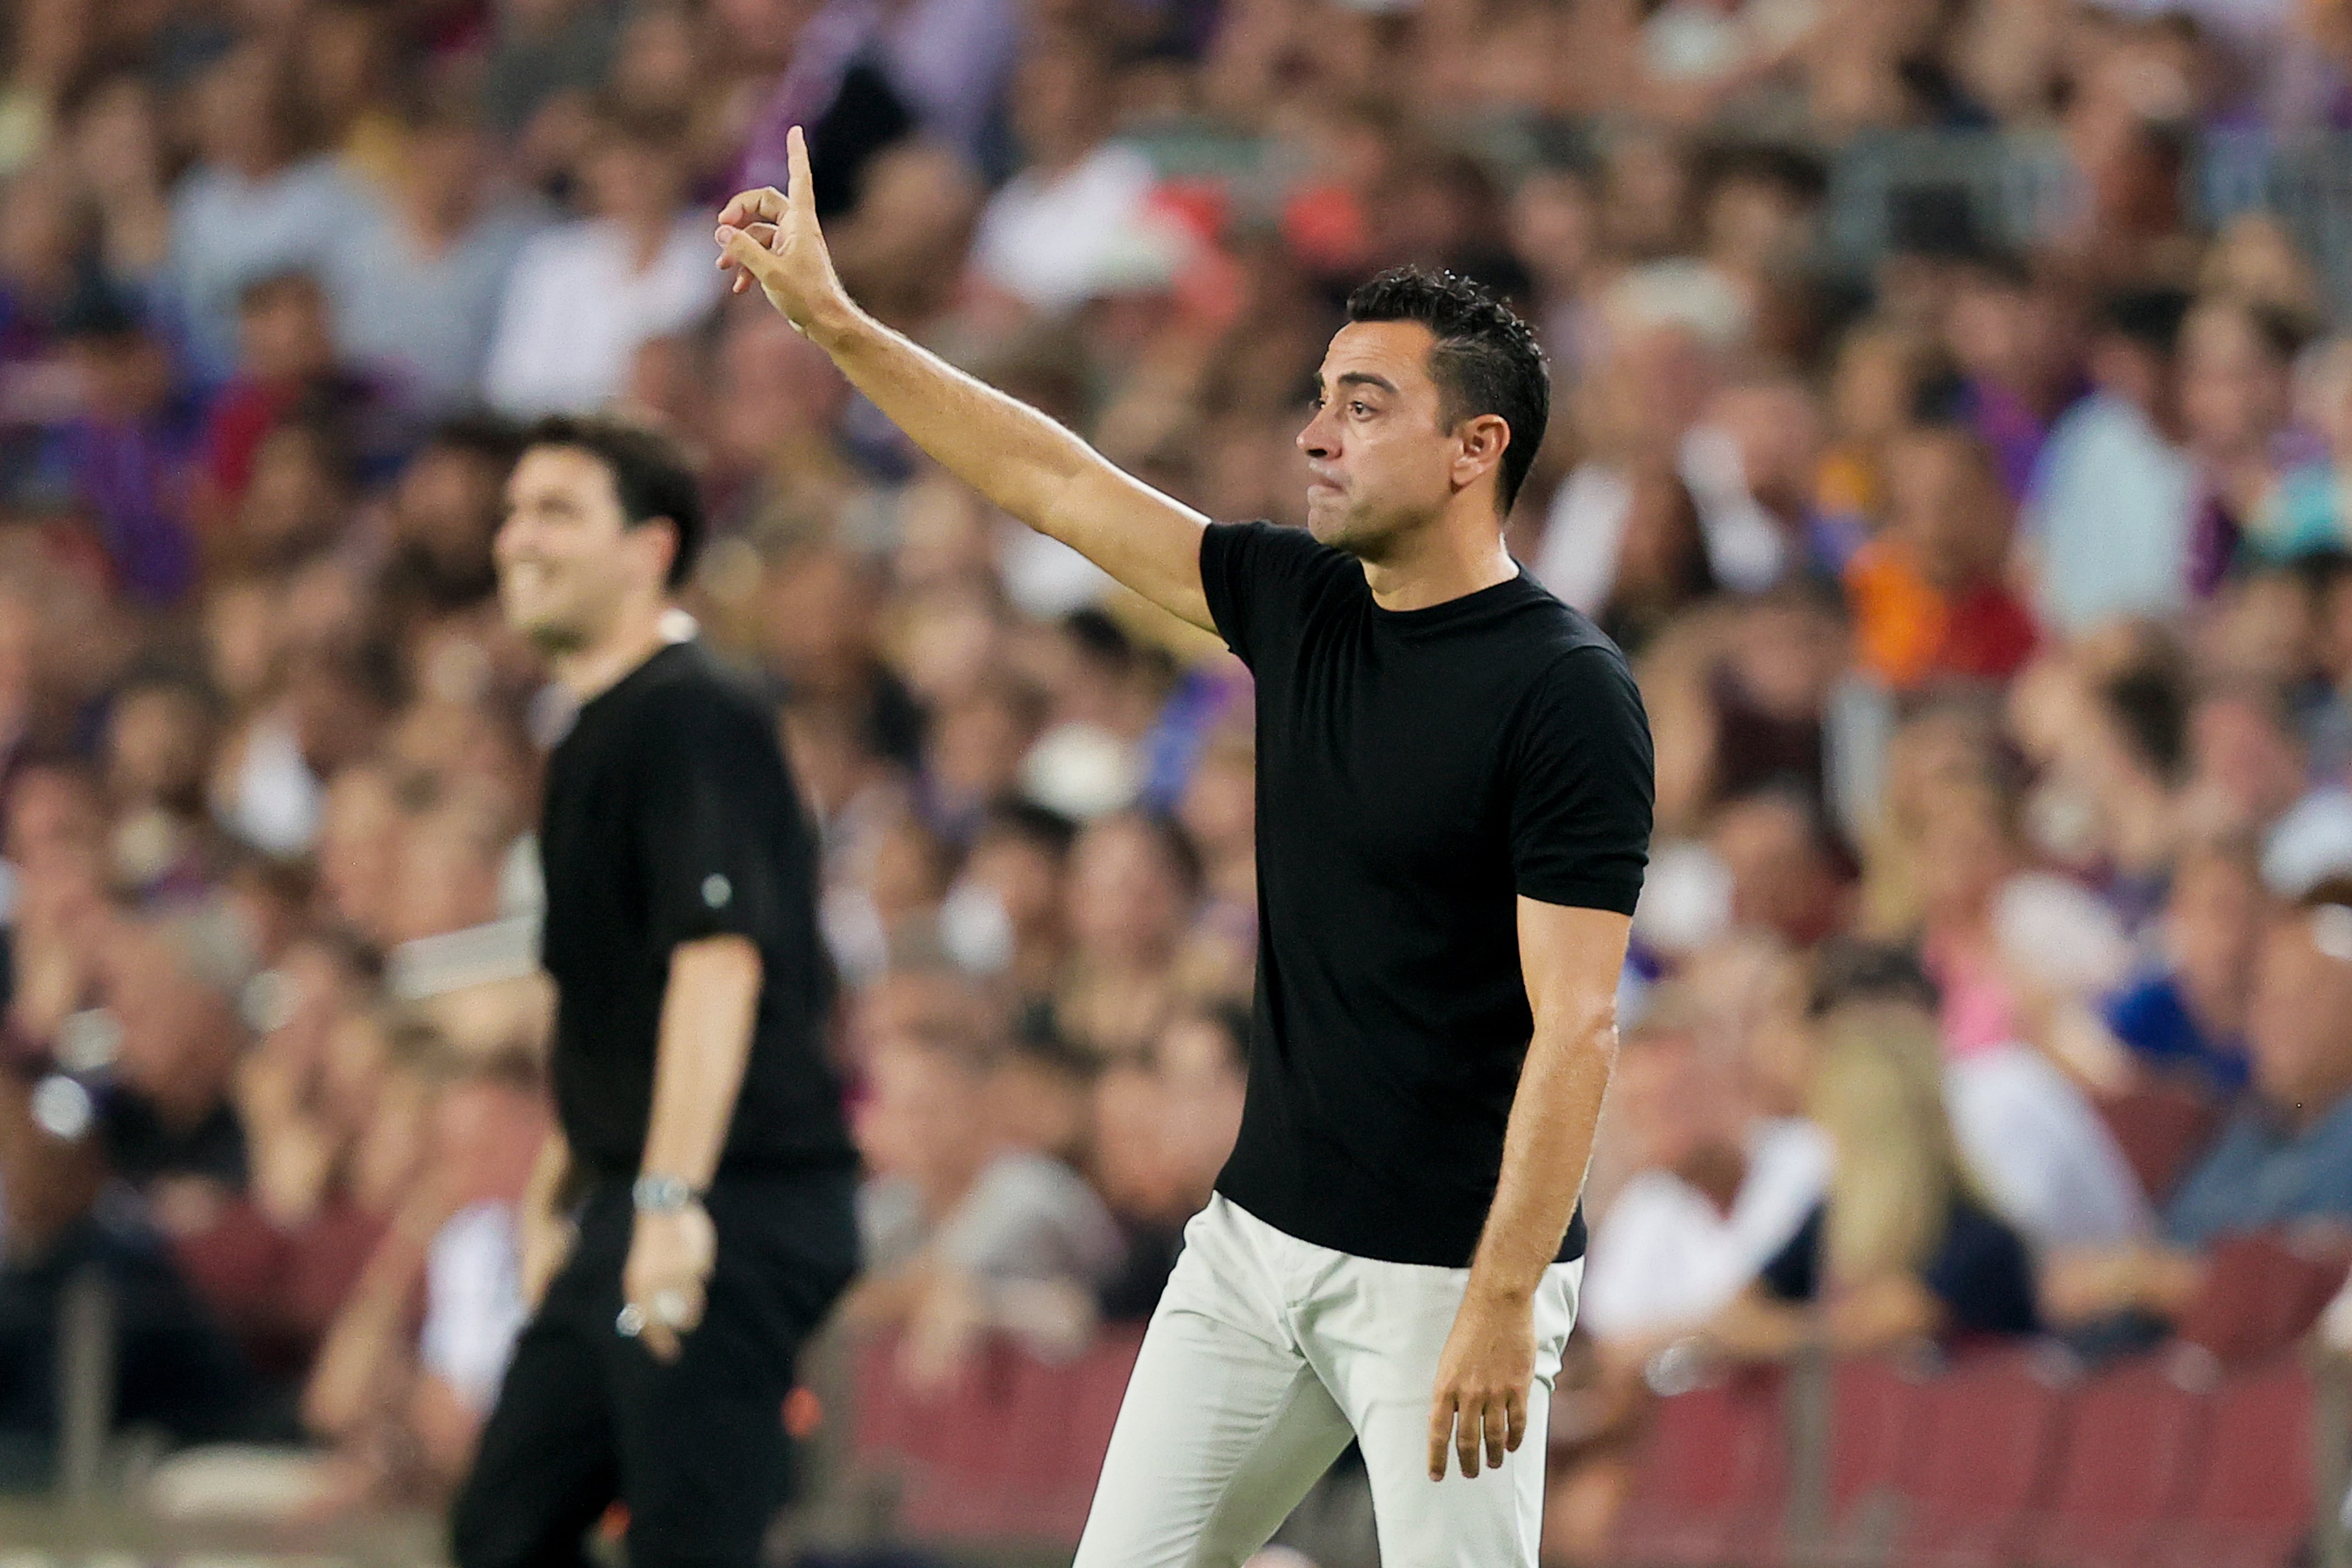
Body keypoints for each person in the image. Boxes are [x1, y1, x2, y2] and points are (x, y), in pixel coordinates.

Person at [717, 126, 1653, 1566]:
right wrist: (843, 329)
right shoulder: (1302, 603)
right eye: (1319, 399)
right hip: (1254, 1242)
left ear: (1478, 451)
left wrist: (1506, 1295)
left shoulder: (1565, 691)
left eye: (1362, 403)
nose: (1315, 433)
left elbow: (1577, 1023)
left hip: (1447, 1277)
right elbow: (1058, 484)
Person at [448, 416, 859, 1568]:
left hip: (727, 1206)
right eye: (513, 510)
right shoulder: (594, 730)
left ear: (649, 547)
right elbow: (618, 1002)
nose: (517, 537)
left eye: (556, 512)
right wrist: (559, 1180)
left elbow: (716, 962)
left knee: (693, 1543)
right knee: (503, 1526)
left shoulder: (689, 713)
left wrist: (674, 1201)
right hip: (633, 1200)